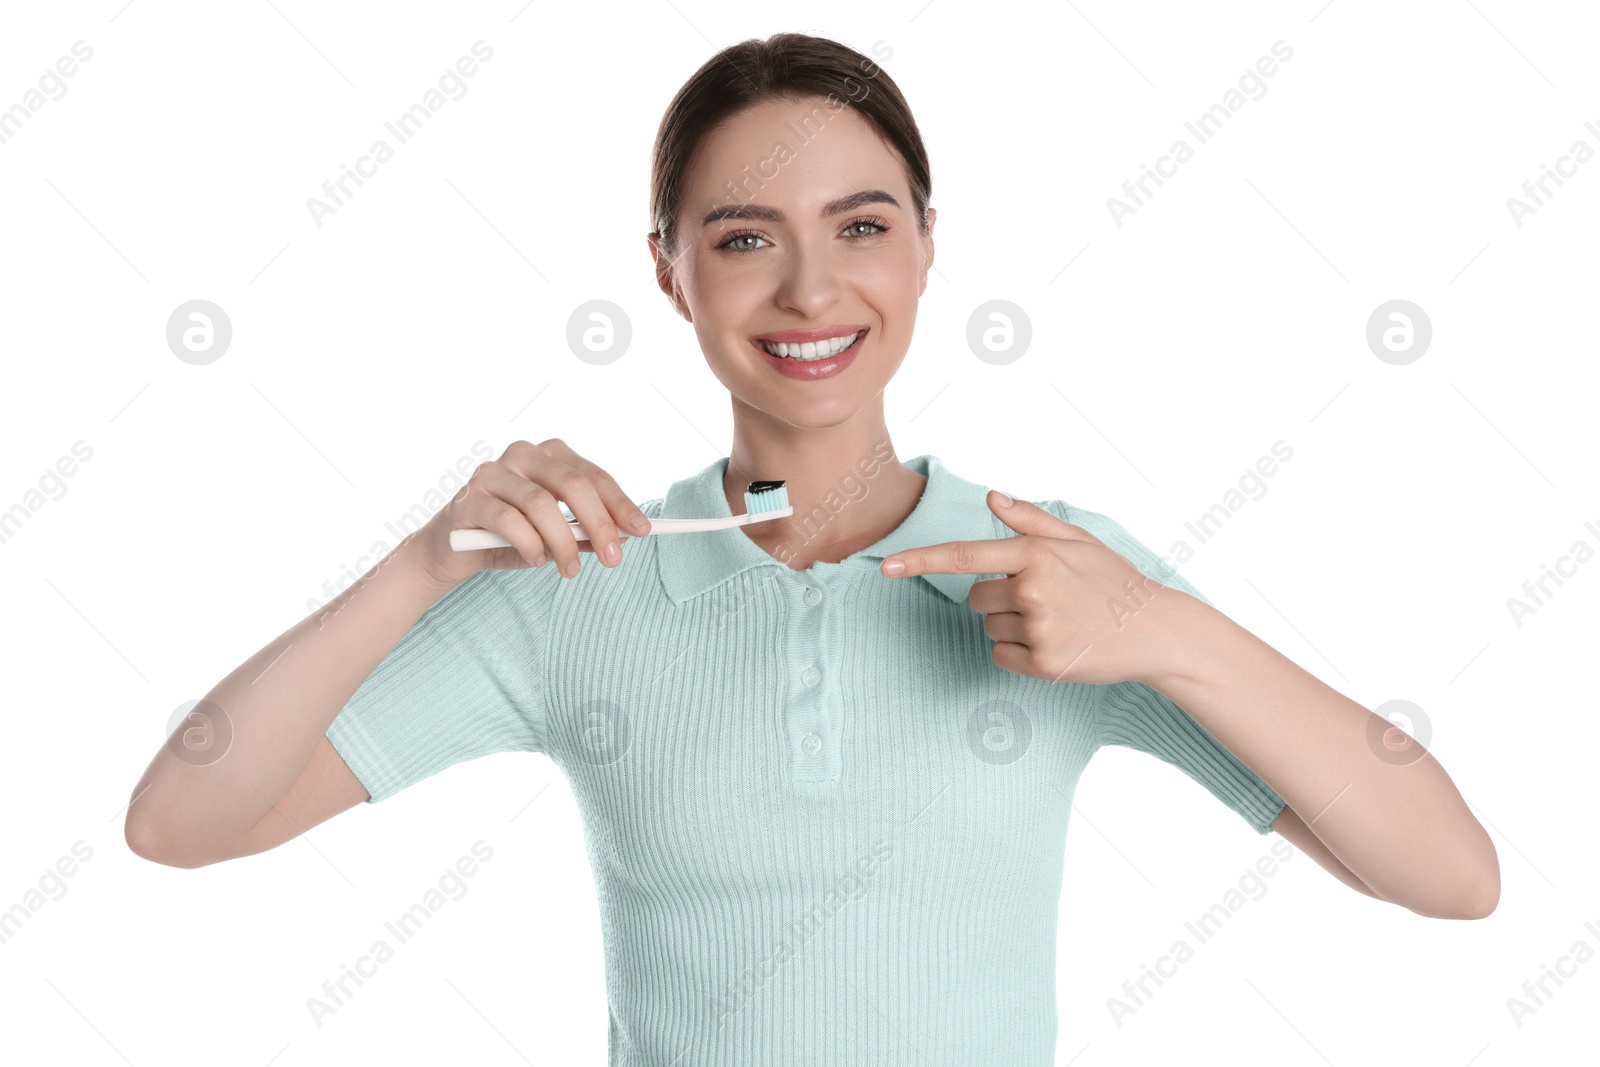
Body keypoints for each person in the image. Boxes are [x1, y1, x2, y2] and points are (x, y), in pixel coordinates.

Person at [126, 31, 1499, 1066]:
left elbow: (1450, 875)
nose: (810, 290)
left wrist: (1166, 632)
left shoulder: (1053, 575)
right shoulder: (575, 587)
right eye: (742, 238)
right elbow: (180, 823)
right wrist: (424, 562)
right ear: (668, 270)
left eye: (861, 226)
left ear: (924, 249)